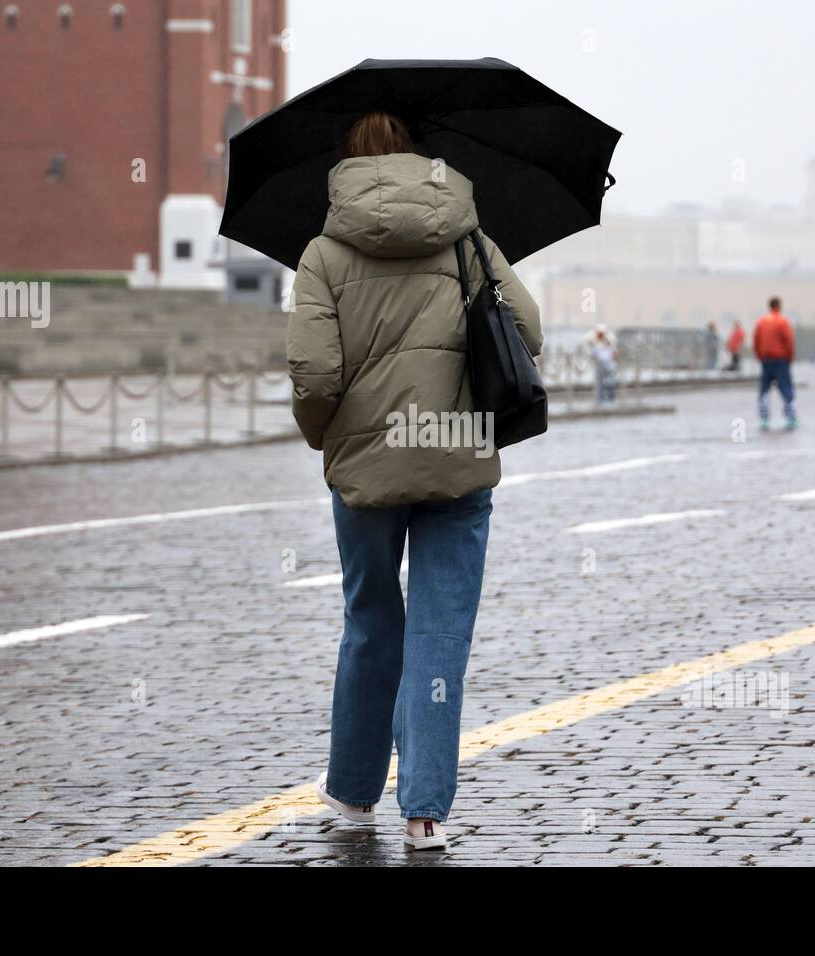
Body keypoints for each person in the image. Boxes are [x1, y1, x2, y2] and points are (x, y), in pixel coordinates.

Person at [287, 111, 541, 852]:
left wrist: (327, 437)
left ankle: (354, 796)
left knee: (370, 621)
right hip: (458, 457)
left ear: (345, 164)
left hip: (365, 466)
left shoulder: (322, 253)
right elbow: (527, 330)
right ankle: (425, 810)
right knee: (440, 631)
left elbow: (315, 371)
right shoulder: (467, 236)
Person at [753, 296, 797, 430]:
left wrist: (760, 356)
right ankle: (790, 417)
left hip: (766, 359)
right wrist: (789, 358)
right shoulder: (782, 322)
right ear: (779, 306)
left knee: (764, 389)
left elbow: (756, 341)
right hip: (780, 360)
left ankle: (764, 418)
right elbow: (789, 341)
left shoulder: (761, 322)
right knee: (786, 388)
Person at [587, 324, 618, 404]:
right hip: (599, 365)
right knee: (600, 383)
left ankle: (610, 399)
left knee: (610, 382)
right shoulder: (595, 343)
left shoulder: (609, 342)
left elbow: (614, 354)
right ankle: (600, 399)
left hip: (609, 365)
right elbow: (592, 354)